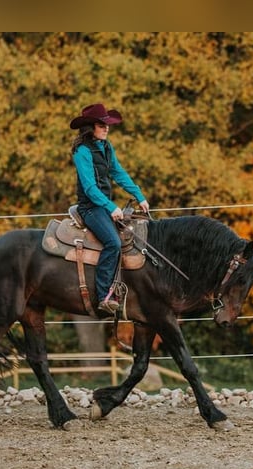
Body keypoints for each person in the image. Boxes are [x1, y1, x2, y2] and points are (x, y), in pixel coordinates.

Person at [69, 103, 150, 315]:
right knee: (113, 243)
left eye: (107, 125)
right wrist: (111, 206)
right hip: (90, 208)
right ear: (90, 127)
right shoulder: (82, 152)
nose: (106, 128)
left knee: (132, 237)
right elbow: (89, 187)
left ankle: (124, 289)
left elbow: (118, 172)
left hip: (105, 206)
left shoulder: (106, 147)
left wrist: (139, 195)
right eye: (101, 124)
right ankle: (105, 295)